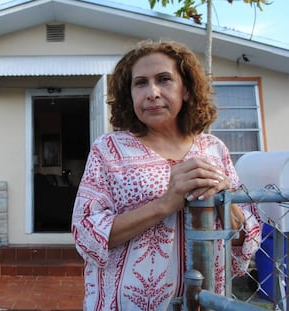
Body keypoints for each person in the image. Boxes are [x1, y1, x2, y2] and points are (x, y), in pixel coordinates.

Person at [71, 40, 261, 310]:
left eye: (164, 79)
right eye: (140, 83)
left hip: (206, 301)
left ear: (186, 90)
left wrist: (224, 200)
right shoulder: (110, 149)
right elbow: (86, 233)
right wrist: (165, 204)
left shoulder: (214, 149)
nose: (152, 92)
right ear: (130, 95)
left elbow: (246, 238)